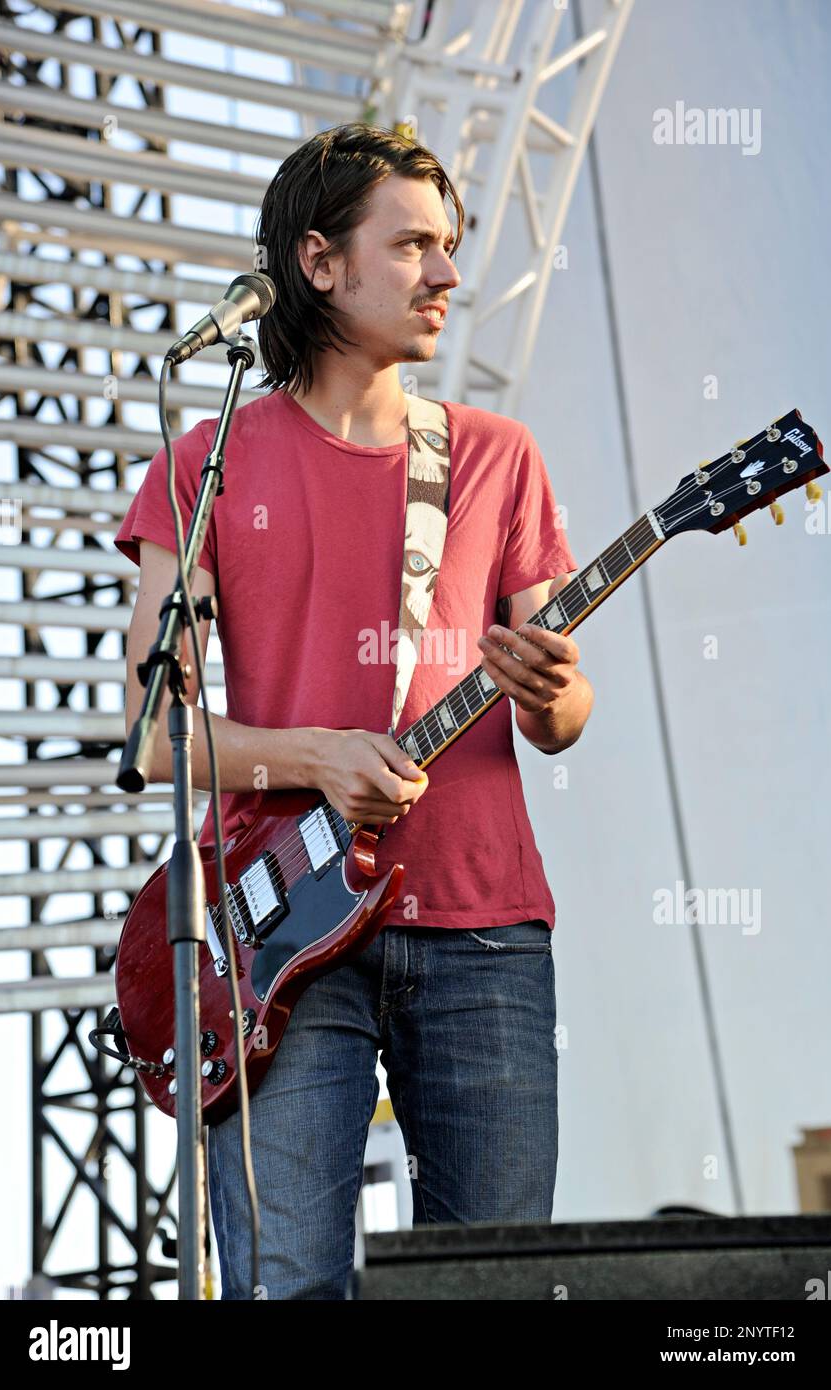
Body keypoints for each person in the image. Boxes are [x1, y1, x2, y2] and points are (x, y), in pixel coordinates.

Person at [115, 122, 594, 1300]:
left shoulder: (495, 456)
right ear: (318, 263)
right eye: (413, 246)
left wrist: (553, 687)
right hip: (277, 943)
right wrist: (313, 757)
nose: (445, 274)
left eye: (452, 246)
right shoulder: (205, 460)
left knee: (487, 1290)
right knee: (290, 1285)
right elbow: (156, 732)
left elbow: (560, 711)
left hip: (480, 926)